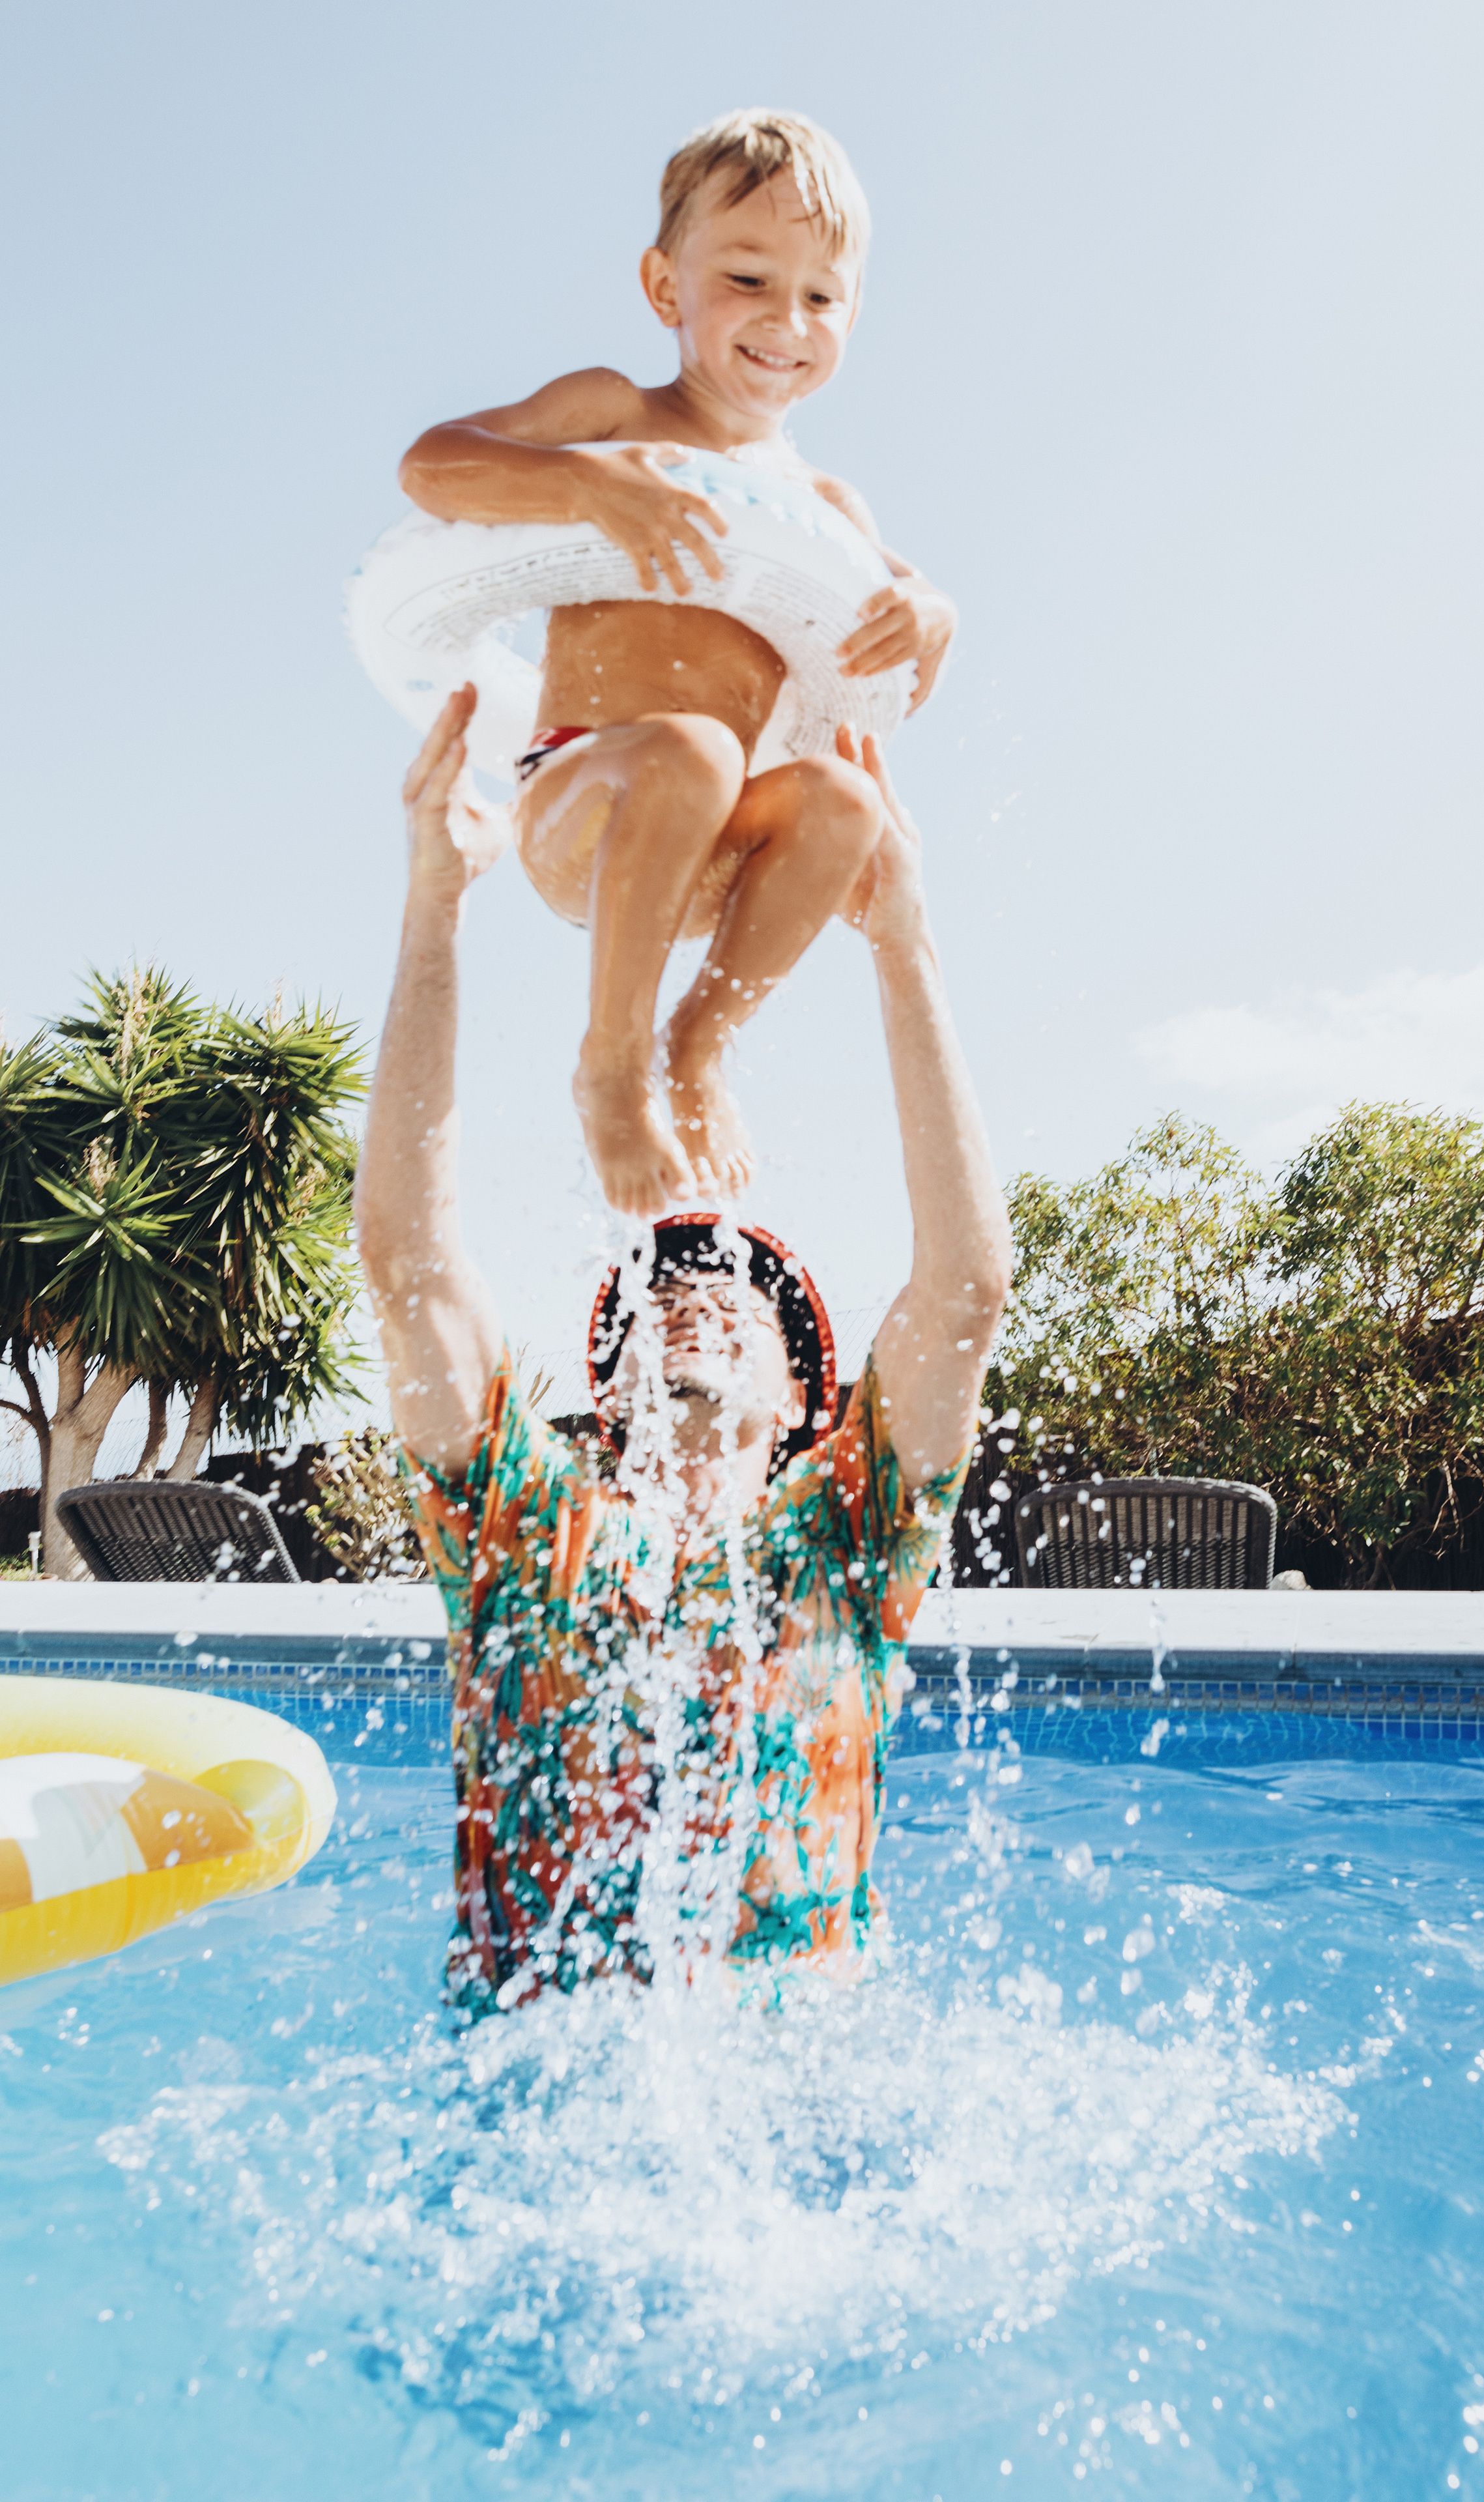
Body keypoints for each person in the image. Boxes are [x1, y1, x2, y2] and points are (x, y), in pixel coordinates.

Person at [355, 684, 1009, 2019]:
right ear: (608, 1390)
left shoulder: (847, 1546)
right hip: (536, 2077)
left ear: (806, 1394)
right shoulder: (525, 1533)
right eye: (659, 1288)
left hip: (806, 2076)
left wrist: (903, 945)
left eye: (747, 1294)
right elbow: (410, 1269)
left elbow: (963, 1293)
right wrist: (436, 905)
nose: (699, 1290)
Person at [397, 108, 957, 1219]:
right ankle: (610, 1065)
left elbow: (894, 669)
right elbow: (433, 466)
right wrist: (586, 481)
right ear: (666, 287)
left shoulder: (828, 507)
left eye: (821, 297)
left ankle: (697, 1045)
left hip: (720, 855)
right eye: (747, 280)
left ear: (852, 314)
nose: (785, 320)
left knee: (845, 799)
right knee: (695, 748)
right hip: (587, 806)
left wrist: (934, 615)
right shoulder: (616, 416)